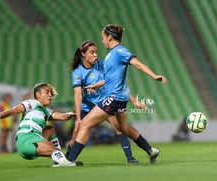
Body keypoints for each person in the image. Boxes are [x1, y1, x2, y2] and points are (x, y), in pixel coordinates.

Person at [66, 24, 168, 164]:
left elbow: (137, 64)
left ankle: (70, 160)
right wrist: (96, 85)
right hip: (120, 97)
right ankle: (150, 150)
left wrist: (154, 75)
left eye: (103, 38)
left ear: (110, 37)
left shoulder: (119, 51)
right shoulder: (111, 55)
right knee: (123, 128)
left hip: (113, 98)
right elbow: (113, 80)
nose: (102, 41)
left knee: (84, 124)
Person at [0, 83, 77, 167]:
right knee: (56, 151)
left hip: (33, 139)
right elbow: (14, 110)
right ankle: (63, 161)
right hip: (26, 139)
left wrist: (70, 114)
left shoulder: (45, 111)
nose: (50, 95)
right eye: (47, 92)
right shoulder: (32, 103)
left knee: (49, 129)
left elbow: (62, 116)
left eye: (51, 93)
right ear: (38, 95)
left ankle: (59, 160)